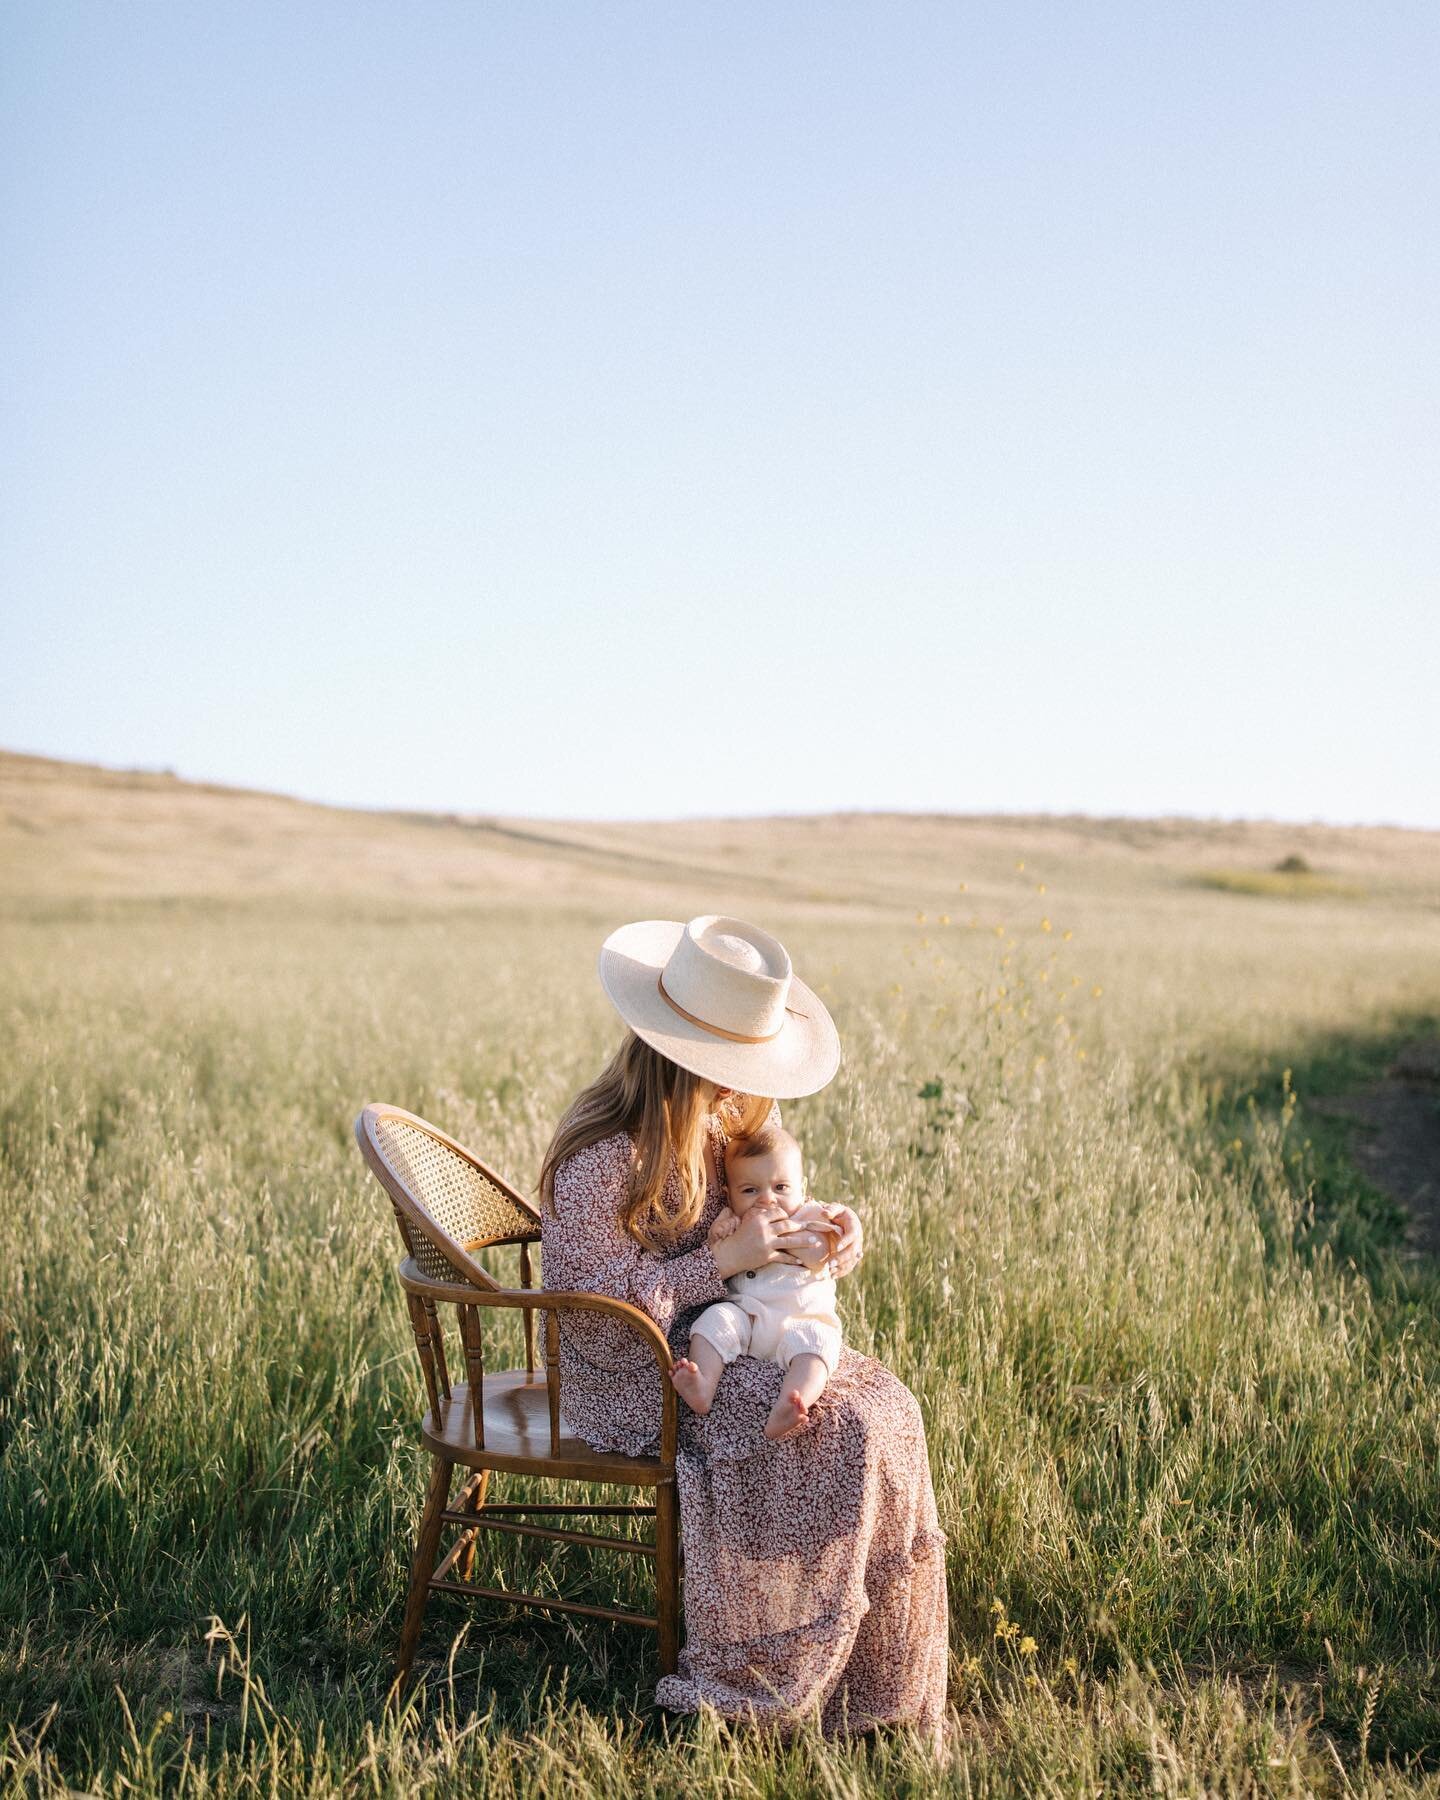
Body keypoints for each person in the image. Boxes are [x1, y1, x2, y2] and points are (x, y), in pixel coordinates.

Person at [538, 914, 949, 1742]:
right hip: (631, 1378)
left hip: (722, 1339)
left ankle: (878, 1685)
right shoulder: (601, 1163)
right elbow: (597, 1322)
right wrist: (718, 1267)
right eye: (725, 1073)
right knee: (840, 1427)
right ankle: (761, 1681)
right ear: (675, 1063)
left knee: (889, 1407)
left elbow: (768, 1215)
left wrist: (826, 1229)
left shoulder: (717, 1131)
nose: (739, 1091)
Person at [671, 1123, 846, 1441]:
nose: (767, 1200)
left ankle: (792, 1402)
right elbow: (715, 1254)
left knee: (817, 1347)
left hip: (800, 1321)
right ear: (730, 1195)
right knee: (713, 1321)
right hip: (747, 1318)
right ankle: (702, 1386)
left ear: (802, 1187)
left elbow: (821, 1253)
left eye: (781, 1187)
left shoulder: (810, 1215)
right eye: (750, 1190)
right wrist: (725, 1238)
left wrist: (779, 1234)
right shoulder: (731, 1221)